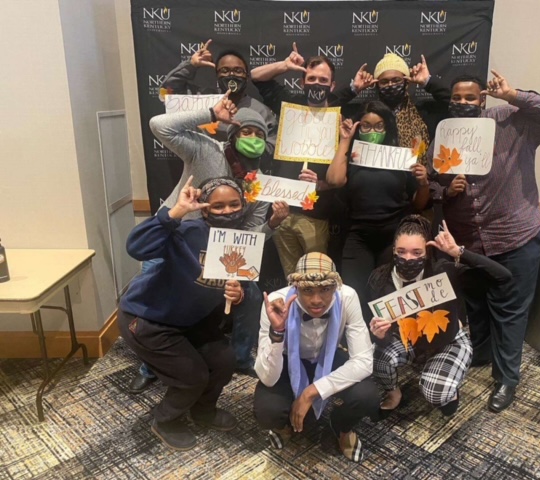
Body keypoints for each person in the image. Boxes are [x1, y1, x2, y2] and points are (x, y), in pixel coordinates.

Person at [427, 70, 540, 412]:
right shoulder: (444, 135)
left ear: (483, 99)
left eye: (470, 98)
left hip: (515, 235)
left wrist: (513, 94)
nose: (462, 103)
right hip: (470, 243)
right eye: (456, 98)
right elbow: (431, 185)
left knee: (510, 312)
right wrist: (447, 190)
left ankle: (506, 380)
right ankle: (483, 355)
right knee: (476, 304)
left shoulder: (512, 121)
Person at [128, 97, 289, 393]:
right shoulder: (206, 150)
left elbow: (252, 236)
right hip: (177, 237)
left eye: (258, 134)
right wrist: (210, 114)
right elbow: (158, 125)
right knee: (154, 293)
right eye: (245, 132)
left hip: (222, 250)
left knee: (251, 295)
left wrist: (273, 225)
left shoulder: (258, 183)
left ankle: (240, 358)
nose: (251, 139)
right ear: (232, 133)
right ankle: (149, 365)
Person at [118, 175, 263, 451]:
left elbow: (239, 284)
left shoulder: (242, 240)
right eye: (218, 206)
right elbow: (136, 248)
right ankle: (165, 420)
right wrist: (175, 213)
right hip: (150, 318)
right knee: (191, 376)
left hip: (191, 320)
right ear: (205, 207)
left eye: (234, 204)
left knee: (224, 360)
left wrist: (240, 295)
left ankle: (203, 410)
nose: (228, 211)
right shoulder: (187, 231)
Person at [250, 43, 377, 276]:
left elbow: (344, 176)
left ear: (332, 85)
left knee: (317, 278)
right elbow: (256, 77)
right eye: (311, 79)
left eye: (323, 80)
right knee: (292, 278)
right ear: (302, 82)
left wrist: (321, 185)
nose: (317, 84)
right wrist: (285, 66)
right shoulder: (290, 105)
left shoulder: (338, 114)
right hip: (282, 211)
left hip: (316, 216)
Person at [366, 216, 511, 415]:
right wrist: (379, 336)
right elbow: (380, 330)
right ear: (393, 251)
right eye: (401, 252)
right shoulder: (380, 278)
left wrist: (458, 252)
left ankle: (448, 388)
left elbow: (503, 276)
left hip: (448, 338)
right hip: (409, 338)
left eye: (416, 252)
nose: (408, 258)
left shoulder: (442, 271)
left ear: (427, 253)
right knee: (376, 358)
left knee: (435, 392)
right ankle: (394, 392)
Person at [254, 252, 379, 462]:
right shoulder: (276, 303)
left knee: (367, 396)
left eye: (325, 289)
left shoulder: (348, 297)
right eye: (307, 290)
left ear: (336, 287)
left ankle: (341, 426)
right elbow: (267, 377)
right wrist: (277, 333)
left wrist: (311, 392)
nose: (316, 300)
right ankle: (284, 425)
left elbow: (364, 361)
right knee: (267, 411)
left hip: (328, 356)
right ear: (295, 287)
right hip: (287, 359)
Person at [326, 101, 429, 320]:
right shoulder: (349, 157)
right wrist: (345, 139)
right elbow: (334, 180)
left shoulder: (402, 157)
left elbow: (419, 204)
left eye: (379, 126)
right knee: (354, 294)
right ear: (358, 127)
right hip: (357, 236)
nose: (372, 131)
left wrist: (423, 184)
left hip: (392, 236)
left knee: (389, 295)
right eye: (366, 126)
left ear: (387, 128)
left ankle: (390, 343)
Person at [162, 39, 277, 168]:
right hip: (204, 174)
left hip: (245, 181)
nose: (231, 74)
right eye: (225, 70)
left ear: (246, 76)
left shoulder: (261, 111)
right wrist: (191, 65)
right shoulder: (201, 100)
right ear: (217, 75)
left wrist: (244, 146)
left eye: (238, 71)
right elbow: (167, 92)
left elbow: (271, 150)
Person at [372, 53, 451, 165]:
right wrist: (353, 90)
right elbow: (337, 109)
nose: (390, 85)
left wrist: (427, 82)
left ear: (406, 82)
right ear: (377, 85)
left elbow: (454, 103)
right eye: (384, 82)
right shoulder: (368, 116)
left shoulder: (424, 112)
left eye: (396, 80)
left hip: (419, 179)